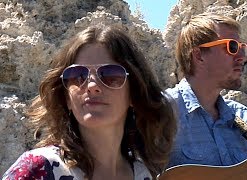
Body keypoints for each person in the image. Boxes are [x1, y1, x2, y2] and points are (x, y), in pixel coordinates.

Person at [2, 25, 176, 180]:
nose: (92, 86)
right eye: (78, 76)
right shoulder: (39, 170)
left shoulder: (145, 174)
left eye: (110, 75)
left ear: (134, 93)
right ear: (66, 98)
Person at [166, 13, 247, 168]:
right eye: (232, 47)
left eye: (242, 48)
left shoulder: (245, 118)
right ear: (199, 55)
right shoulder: (162, 113)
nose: (242, 56)